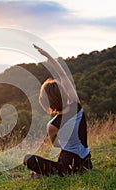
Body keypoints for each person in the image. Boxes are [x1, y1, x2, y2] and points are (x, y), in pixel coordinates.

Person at [23, 44, 93, 178]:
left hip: (68, 167)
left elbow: (56, 144)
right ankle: (50, 172)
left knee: (28, 159)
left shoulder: (52, 125)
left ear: (45, 102)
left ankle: (49, 173)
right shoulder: (76, 105)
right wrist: (48, 56)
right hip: (86, 163)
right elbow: (63, 74)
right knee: (64, 154)